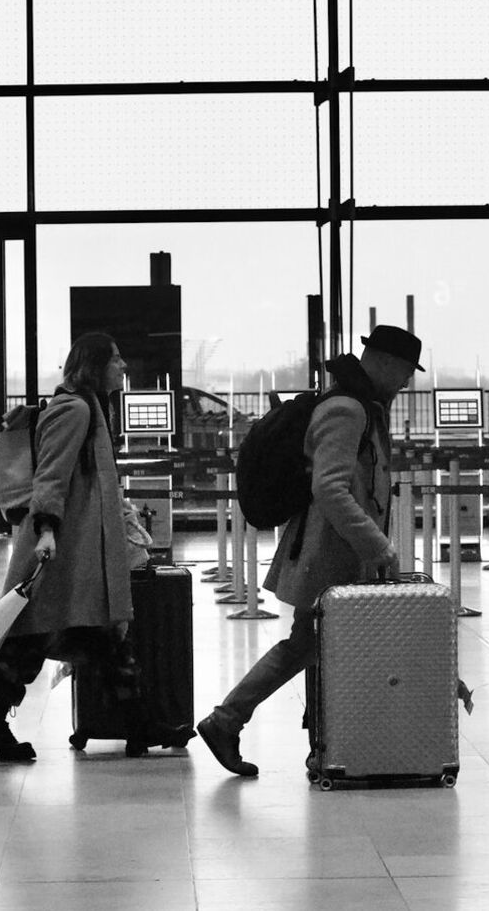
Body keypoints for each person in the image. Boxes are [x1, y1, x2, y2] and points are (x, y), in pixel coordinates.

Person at [197, 326, 423, 777]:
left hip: (341, 556)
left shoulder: (362, 406)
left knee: (312, 646)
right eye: (403, 372)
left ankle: (320, 737)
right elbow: (330, 488)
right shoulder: (346, 409)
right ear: (383, 362)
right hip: (330, 557)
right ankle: (233, 720)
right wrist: (376, 545)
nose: (405, 383)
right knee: (309, 646)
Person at [0, 332, 135, 762]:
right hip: (62, 545)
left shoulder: (86, 407)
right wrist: (46, 529)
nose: (123, 368)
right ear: (95, 366)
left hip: (77, 546)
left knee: (98, 636)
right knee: (36, 637)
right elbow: (51, 474)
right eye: (115, 359)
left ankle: (142, 723)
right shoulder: (76, 409)